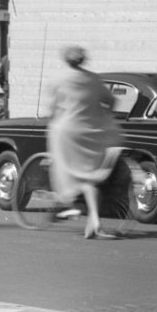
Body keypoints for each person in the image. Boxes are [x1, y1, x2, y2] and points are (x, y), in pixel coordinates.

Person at [46, 46, 125, 239]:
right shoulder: (94, 79)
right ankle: (94, 222)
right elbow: (111, 101)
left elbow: (53, 110)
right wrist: (101, 116)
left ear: (66, 60)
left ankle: (66, 202)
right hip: (93, 132)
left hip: (67, 133)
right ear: (83, 60)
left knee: (63, 167)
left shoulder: (58, 80)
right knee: (90, 176)